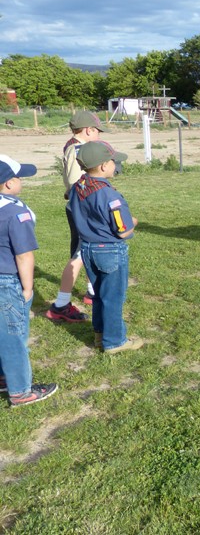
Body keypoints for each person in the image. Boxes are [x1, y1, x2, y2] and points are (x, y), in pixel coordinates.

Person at [68, 141, 143, 354]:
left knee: (100, 294)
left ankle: (100, 334)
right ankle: (114, 341)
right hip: (109, 250)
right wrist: (133, 222)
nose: (115, 164)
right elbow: (123, 230)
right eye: (113, 161)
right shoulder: (110, 195)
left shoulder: (78, 187)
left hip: (88, 249)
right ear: (102, 166)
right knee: (114, 297)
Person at [0, 154, 58, 406]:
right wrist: (27, 287)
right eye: (19, 176)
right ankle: (21, 391)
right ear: (9, 184)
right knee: (14, 336)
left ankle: (4, 377)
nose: (21, 180)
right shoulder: (15, 213)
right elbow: (23, 255)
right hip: (7, 282)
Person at [46, 110, 104, 323]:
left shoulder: (74, 145)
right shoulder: (77, 149)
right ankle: (60, 305)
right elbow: (76, 181)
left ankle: (92, 291)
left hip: (81, 206)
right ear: (89, 130)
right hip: (83, 208)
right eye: (98, 131)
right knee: (80, 254)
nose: (99, 135)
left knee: (86, 250)